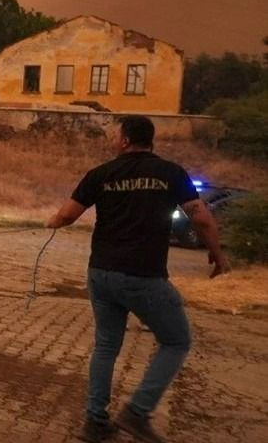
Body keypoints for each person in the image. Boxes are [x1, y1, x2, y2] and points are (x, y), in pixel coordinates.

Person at [46, 115, 231, 443]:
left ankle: (95, 421)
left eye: (116, 134)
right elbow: (201, 217)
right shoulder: (171, 173)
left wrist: (53, 222)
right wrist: (217, 252)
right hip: (143, 275)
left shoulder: (101, 174)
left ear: (126, 140)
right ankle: (137, 411)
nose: (113, 139)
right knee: (176, 341)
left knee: (106, 345)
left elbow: (68, 215)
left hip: (101, 273)